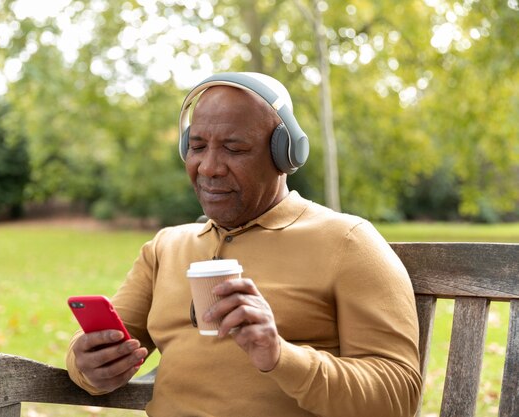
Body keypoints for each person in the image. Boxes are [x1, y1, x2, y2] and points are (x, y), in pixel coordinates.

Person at [66, 72, 422, 417]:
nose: (209, 167)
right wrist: (86, 365)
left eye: (234, 148)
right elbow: (102, 349)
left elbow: (398, 396)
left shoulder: (347, 243)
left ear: (284, 154)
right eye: (197, 146)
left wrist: (281, 356)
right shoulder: (165, 248)